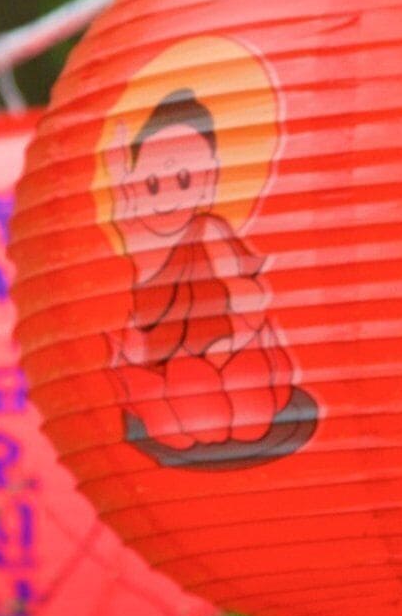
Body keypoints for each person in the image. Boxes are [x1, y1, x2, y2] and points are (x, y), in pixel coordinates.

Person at [113, 91, 303, 460]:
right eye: (152, 184)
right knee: (167, 370)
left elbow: (243, 290)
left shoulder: (209, 230)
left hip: (221, 354)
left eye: (184, 179)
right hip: (167, 365)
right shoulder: (143, 240)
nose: (167, 194)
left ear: (208, 178)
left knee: (228, 366)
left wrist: (245, 330)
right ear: (135, 185)